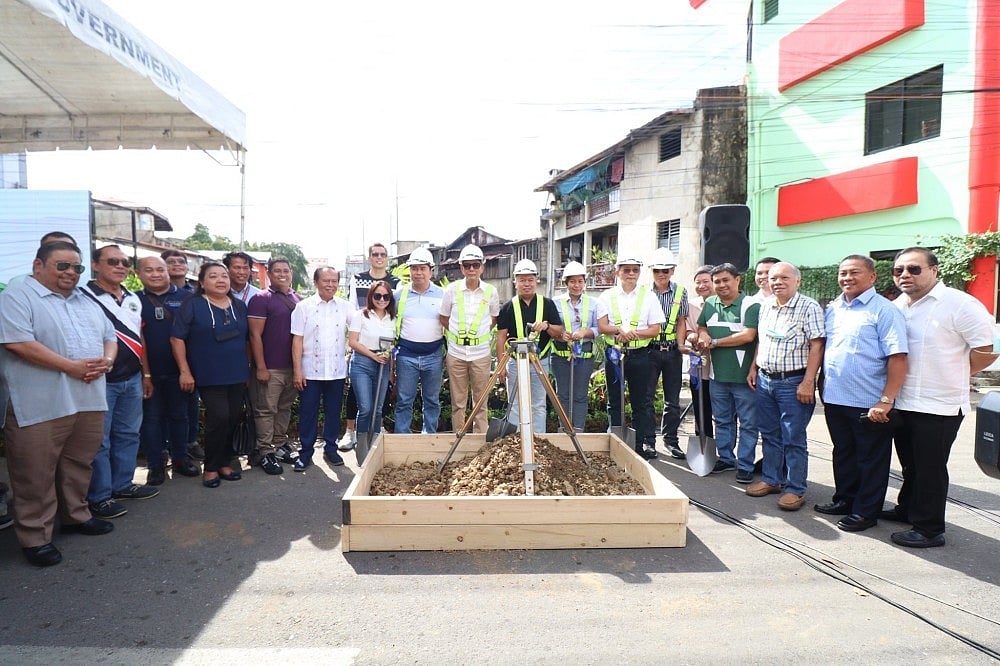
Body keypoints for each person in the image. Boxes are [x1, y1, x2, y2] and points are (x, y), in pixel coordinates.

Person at [0, 240, 117, 567]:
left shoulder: (86, 300)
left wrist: (107, 362)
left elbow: (111, 337)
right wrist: (71, 367)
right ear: (38, 265)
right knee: (33, 473)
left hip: (88, 399)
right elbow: (18, 344)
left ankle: (76, 516)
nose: (70, 273)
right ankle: (35, 537)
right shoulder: (17, 297)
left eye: (76, 267)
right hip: (39, 403)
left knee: (79, 463)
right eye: (62, 266)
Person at [885, 247, 997, 548]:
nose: (905, 275)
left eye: (914, 269)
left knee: (930, 469)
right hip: (904, 401)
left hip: (939, 405)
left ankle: (929, 529)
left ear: (934, 270)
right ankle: (908, 510)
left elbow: (991, 348)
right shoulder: (899, 306)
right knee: (910, 465)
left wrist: (961, 372)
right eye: (899, 271)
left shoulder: (959, 304)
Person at [815, 255, 908, 532]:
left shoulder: (884, 311)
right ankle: (845, 499)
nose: (846, 278)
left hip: (869, 401)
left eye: (854, 272)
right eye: (842, 273)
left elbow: (898, 357)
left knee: (871, 458)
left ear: (872, 277)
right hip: (835, 397)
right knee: (844, 452)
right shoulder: (834, 308)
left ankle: (866, 512)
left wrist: (886, 399)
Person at [81, 245, 159, 519]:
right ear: (95, 265)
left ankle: (122, 485)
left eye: (124, 262)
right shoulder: (82, 296)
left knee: (128, 435)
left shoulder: (132, 298)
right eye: (112, 261)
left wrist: (145, 373)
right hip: (100, 380)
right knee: (99, 441)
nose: (120, 266)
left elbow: (140, 339)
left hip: (132, 378)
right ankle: (100, 496)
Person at [745, 262, 825, 510]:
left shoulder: (808, 307)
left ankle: (795, 488)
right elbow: (763, 339)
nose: (777, 282)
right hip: (766, 379)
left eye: (784, 278)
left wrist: (808, 381)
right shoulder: (766, 305)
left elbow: (817, 345)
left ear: (797, 281)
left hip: (794, 382)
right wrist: (754, 367)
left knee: (793, 437)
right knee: (769, 433)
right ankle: (772, 479)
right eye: (773, 278)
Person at [171, 262, 250, 489]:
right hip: (208, 373)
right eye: (213, 276)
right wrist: (185, 371)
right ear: (202, 283)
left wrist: (249, 368)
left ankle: (225, 462)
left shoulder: (239, 305)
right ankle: (211, 467)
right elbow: (177, 338)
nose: (221, 280)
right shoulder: (192, 304)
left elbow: (246, 340)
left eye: (224, 276)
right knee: (219, 417)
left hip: (236, 373)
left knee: (233, 418)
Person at [135, 256, 200, 485]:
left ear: (167, 271)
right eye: (148, 270)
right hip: (148, 373)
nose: (155, 274)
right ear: (138, 274)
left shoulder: (188, 298)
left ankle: (181, 459)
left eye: (159, 270)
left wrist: (189, 370)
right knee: (151, 419)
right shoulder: (133, 301)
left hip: (180, 372)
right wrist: (146, 374)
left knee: (179, 416)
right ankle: (156, 464)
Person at [696, 263, 760, 475]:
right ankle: (725, 458)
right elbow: (702, 326)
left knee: (748, 424)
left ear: (737, 280)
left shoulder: (750, 305)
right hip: (717, 376)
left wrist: (714, 342)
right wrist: (703, 335)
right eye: (717, 281)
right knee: (722, 420)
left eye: (726, 280)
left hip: (744, 377)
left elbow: (749, 336)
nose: (721, 285)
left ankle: (745, 465)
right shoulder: (710, 303)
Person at [597, 255, 664, 459]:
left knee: (641, 402)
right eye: (626, 270)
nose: (631, 274)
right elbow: (602, 326)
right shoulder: (606, 296)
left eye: (635, 270)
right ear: (617, 272)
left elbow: (655, 330)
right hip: (614, 355)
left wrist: (634, 334)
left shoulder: (649, 296)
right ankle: (615, 441)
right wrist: (618, 330)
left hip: (640, 355)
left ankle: (640, 444)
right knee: (614, 401)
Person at [291, 266, 352, 470]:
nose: (330, 285)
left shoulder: (345, 306)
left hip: (336, 370)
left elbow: (358, 329)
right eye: (326, 281)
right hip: (310, 370)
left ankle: (331, 449)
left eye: (334, 281)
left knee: (333, 412)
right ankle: (306, 452)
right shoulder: (303, 307)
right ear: (316, 282)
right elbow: (297, 341)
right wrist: (297, 370)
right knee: (308, 412)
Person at [340, 242, 400, 451]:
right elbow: (351, 308)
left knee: (377, 405)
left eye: (383, 254)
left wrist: (391, 367)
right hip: (362, 348)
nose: (379, 257)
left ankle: (375, 436)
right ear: (369, 257)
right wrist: (354, 348)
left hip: (383, 358)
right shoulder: (358, 279)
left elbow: (393, 333)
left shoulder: (396, 282)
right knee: (361, 402)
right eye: (375, 254)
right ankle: (352, 434)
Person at [247, 258, 302, 475]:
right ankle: (265, 451)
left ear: (291, 273)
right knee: (265, 410)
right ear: (268, 274)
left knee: (284, 408)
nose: (282, 274)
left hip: (292, 367)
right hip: (270, 367)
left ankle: (279, 445)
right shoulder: (261, 299)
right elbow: (254, 335)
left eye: (285, 270)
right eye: (277, 271)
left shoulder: (297, 298)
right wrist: (260, 366)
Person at [497, 259, 564, 434]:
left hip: (539, 362)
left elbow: (559, 332)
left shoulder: (547, 304)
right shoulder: (507, 307)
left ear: (536, 281)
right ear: (515, 283)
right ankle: (515, 442)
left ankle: (538, 441)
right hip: (514, 362)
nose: (526, 284)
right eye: (522, 280)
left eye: (530, 280)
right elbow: (501, 337)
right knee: (515, 405)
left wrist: (547, 326)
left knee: (538, 403)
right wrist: (501, 365)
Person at [438, 244, 499, 434]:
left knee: (481, 401)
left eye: (475, 264)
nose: (471, 269)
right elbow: (443, 318)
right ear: (461, 267)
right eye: (467, 265)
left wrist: (479, 334)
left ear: (482, 266)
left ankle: (480, 440)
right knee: (458, 401)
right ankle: (459, 438)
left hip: (480, 353)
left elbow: (494, 318)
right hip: (456, 353)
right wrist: (458, 336)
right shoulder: (451, 290)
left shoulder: (491, 292)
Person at [393, 248, 446, 434]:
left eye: (422, 268)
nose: (418, 273)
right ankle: (402, 438)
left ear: (431, 270)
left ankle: (428, 437)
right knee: (404, 400)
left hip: (434, 355)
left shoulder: (443, 295)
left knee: (431, 400)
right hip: (406, 356)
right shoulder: (400, 295)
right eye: (414, 268)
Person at [348, 280, 396, 463]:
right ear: (371, 297)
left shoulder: (392, 319)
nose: (382, 299)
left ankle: (374, 446)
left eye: (386, 296)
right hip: (362, 363)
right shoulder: (361, 315)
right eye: (377, 296)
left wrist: (390, 369)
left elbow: (392, 346)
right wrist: (373, 356)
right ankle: (362, 448)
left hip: (383, 365)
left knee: (377, 410)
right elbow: (353, 342)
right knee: (366, 408)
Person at [161, 249, 202, 462]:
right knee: (161, 410)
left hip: (191, 361)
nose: (176, 264)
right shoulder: (153, 293)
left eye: (181, 261)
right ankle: (164, 448)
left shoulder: (195, 294)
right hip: (162, 361)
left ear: (187, 267)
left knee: (191, 405)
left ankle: (190, 442)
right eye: (171, 261)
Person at [647, 247, 688, 459]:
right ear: (652, 271)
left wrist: (680, 344)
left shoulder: (680, 292)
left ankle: (671, 441)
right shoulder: (644, 292)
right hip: (649, 351)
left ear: (672, 271)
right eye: (657, 271)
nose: (661, 274)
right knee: (647, 398)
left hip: (672, 352)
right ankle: (648, 441)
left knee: (672, 400)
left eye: (665, 270)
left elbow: (682, 322)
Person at [551, 261, 598, 432]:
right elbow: (551, 325)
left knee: (580, 395)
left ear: (584, 282)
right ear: (566, 283)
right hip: (560, 354)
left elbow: (598, 328)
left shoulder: (593, 303)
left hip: (583, 354)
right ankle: (563, 428)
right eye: (572, 281)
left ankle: (578, 429)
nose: (576, 285)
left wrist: (584, 333)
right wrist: (560, 334)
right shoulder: (555, 302)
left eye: (580, 281)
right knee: (563, 394)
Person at [682, 265, 715, 438]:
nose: (702, 285)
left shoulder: (724, 303)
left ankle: (726, 451)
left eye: (706, 281)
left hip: (721, 366)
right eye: (698, 282)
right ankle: (703, 440)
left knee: (724, 411)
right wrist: (692, 335)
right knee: (701, 406)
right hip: (699, 364)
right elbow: (686, 329)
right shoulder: (691, 305)